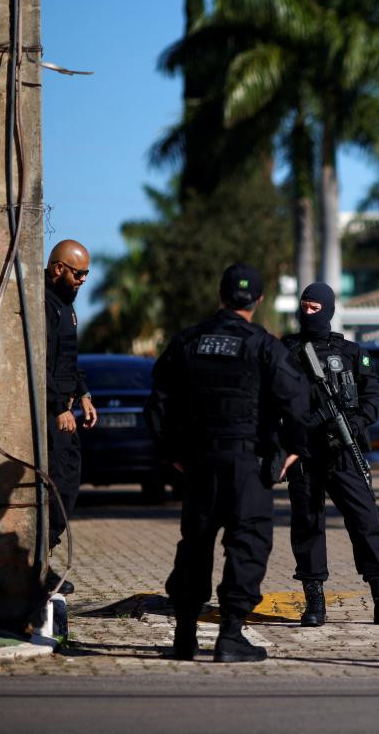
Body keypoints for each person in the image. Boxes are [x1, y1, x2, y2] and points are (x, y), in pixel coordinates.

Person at [145, 263, 312, 663]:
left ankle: (185, 635)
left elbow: (158, 404)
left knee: (196, 543)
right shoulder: (265, 346)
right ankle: (231, 634)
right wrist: (293, 450)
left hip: (200, 462)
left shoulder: (187, 341)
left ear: (220, 296)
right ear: (258, 301)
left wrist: (172, 456)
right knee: (248, 543)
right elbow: (300, 404)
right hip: (246, 464)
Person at [280, 282, 379, 627]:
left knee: (366, 523)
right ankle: (314, 602)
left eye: (314, 308)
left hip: (344, 451)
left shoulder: (350, 352)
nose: (307, 313)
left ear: (329, 309)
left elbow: (372, 392)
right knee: (307, 526)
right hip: (305, 453)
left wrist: (356, 420)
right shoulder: (283, 350)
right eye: (303, 306)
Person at [45, 239, 97, 595]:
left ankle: (42, 556)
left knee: (67, 484)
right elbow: (40, 363)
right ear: (58, 268)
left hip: (65, 406)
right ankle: (37, 564)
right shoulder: (44, 304)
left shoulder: (67, 306)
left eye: (86, 275)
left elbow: (68, 359)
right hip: (50, 414)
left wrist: (83, 394)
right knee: (56, 486)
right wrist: (59, 407)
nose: (82, 280)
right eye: (77, 273)